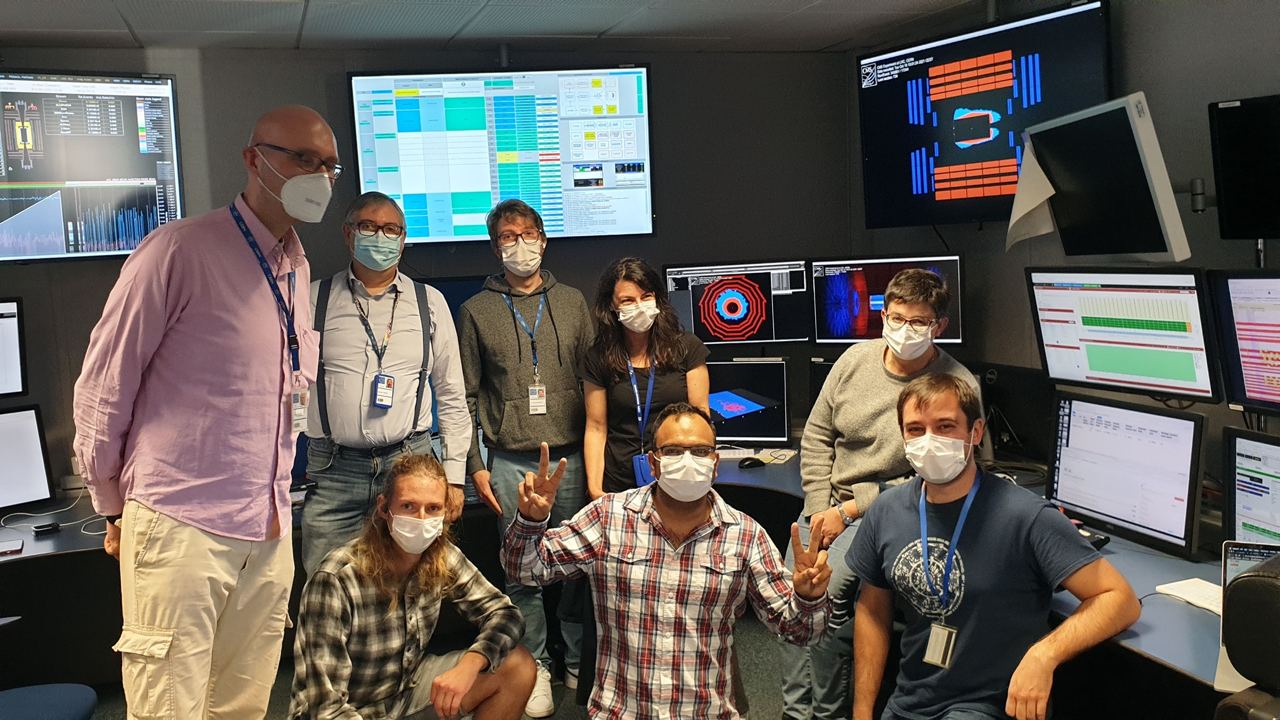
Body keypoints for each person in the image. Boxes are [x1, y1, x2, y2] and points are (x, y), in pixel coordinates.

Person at [72, 105, 338, 717]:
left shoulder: (295, 265)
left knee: (242, 705)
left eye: (329, 166)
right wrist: (112, 505)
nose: (319, 176)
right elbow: (104, 385)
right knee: (170, 707)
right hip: (180, 520)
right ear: (253, 159)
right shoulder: (177, 250)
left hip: (269, 527)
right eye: (303, 159)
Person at [503, 403, 834, 719]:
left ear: (715, 463)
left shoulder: (745, 535)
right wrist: (530, 522)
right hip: (621, 712)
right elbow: (524, 569)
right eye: (673, 451)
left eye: (700, 451)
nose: (688, 461)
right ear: (653, 463)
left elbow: (802, 632)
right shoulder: (608, 518)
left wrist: (808, 598)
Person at [850, 374, 1141, 720]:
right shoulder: (887, 511)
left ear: (975, 432)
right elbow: (871, 610)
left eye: (945, 426)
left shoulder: (1027, 517)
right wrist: (863, 711)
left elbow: (1120, 600)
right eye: (916, 429)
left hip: (989, 706)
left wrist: (1044, 654)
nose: (929, 441)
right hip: (912, 700)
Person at [781, 268, 979, 719]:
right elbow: (815, 439)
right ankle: (797, 711)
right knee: (793, 596)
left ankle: (827, 712)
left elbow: (943, 474)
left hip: (893, 512)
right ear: (883, 315)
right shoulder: (853, 361)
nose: (905, 330)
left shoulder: (955, 384)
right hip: (827, 508)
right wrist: (817, 511)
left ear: (939, 326)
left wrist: (850, 509)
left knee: (828, 598)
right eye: (897, 318)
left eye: (918, 322)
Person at [458, 199, 593, 717]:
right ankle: (533, 664)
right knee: (521, 573)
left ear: (543, 237)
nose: (520, 243)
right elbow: (465, 396)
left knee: (581, 567)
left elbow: (593, 382)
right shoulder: (475, 311)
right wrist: (476, 466)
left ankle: (579, 660)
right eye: (507, 237)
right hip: (510, 460)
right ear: (496, 247)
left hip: (572, 458)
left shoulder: (574, 302)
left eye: (527, 232)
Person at [291, 453, 536, 720]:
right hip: (346, 711)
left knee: (517, 667)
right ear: (384, 508)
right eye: (408, 506)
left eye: (433, 508)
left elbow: (505, 614)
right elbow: (326, 708)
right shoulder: (336, 579)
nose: (421, 519)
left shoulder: (441, 556)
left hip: (405, 694)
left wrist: (473, 662)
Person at [301, 191, 470, 576]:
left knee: (412, 583)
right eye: (369, 227)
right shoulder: (312, 300)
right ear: (348, 234)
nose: (381, 236)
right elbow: (285, 390)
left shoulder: (430, 302)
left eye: (391, 229)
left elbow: (452, 395)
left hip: (409, 464)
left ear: (403, 237)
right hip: (334, 470)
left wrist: (455, 478)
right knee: (325, 587)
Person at [582, 256, 709, 498]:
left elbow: (701, 415)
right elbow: (596, 427)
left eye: (646, 297)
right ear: (612, 306)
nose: (639, 306)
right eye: (628, 300)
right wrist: (595, 489)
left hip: (677, 474)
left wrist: (700, 474)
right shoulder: (598, 357)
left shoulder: (687, 348)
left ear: (657, 299)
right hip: (619, 480)